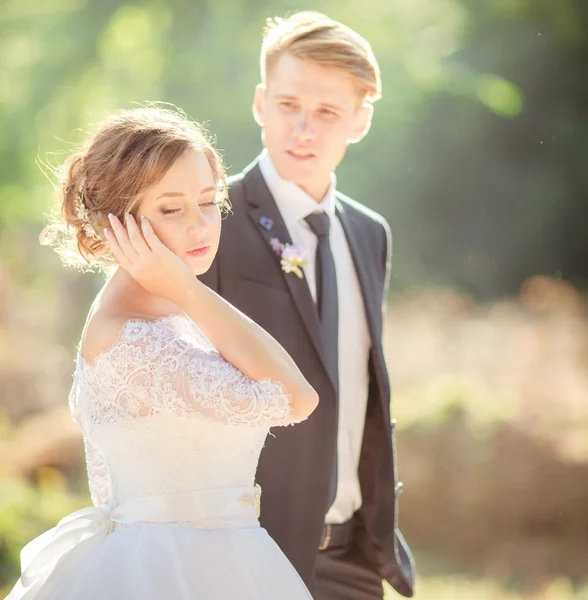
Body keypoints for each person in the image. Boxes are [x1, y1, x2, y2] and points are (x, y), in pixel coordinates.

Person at [6, 106, 318, 600]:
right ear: (117, 224)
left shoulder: (165, 312)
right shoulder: (130, 335)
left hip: (220, 562)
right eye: (171, 209)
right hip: (164, 571)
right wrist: (190, 290)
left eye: (208, 201)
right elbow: (295, 398)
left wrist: (185, 293)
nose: (200, 226)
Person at [199, 11, 415, 599]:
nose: (304, 129)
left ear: (360, 120)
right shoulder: (211, 221)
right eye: (290, 105)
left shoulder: (371, 234)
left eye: (327, 113)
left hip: (353, 557)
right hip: (245, 547)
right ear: (260, 104)